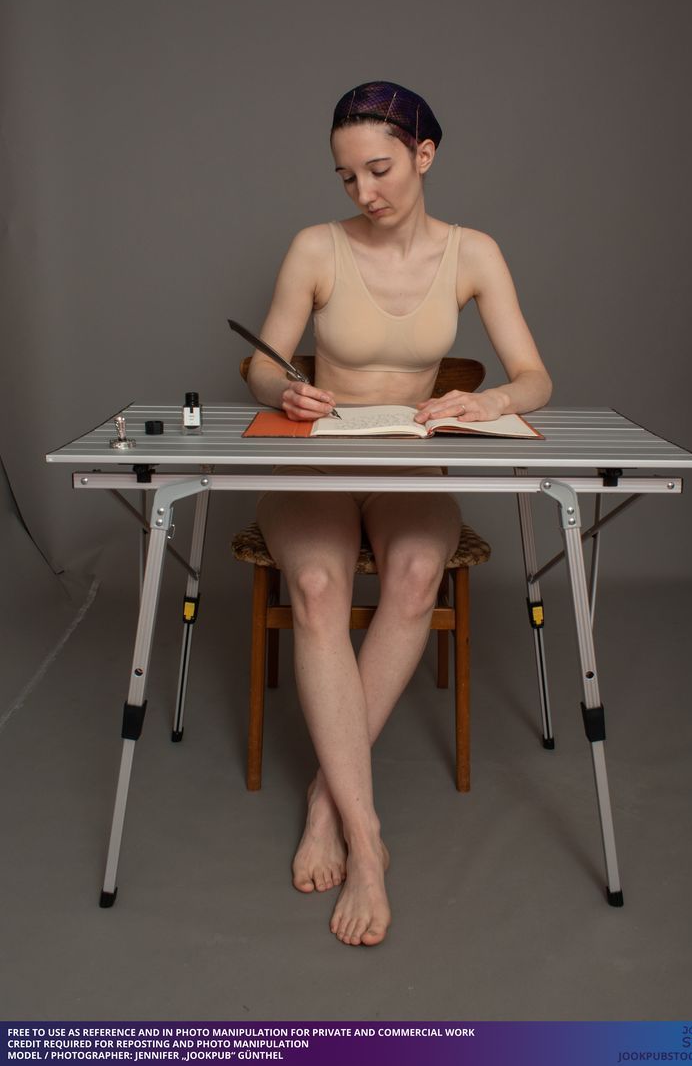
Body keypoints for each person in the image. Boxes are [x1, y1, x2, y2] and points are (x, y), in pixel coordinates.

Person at [247, 80, 552, 948]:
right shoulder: (315, 247)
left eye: (379, 169)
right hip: (321, 457)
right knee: (313, 583)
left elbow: (535, 377)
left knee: (417, 574)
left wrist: (486, 404)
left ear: (424, 154)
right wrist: (286, 386)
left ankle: (325, 798)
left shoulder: (472, 254)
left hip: (407, 458)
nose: (363, 193)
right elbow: (261, 365)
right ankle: (368, 835)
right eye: (346, 178)